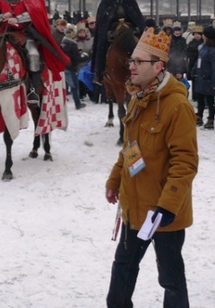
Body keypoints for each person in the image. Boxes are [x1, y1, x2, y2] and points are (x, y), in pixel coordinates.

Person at [105, 27, 198, 308]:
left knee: (170, 279)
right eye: (130, 61)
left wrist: (167, 206)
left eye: (137, 62)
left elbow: (185, 162)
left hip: (162, 213)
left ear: (158, 67)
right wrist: (114, 180)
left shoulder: (177, 106)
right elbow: (130, 148)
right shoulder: (137, 98)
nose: (130, 66)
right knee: (122, 274)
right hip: (134, 209)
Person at [92, 0, 145, 85]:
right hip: (112, 28)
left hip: (130, 27)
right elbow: (103, 20)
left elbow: (137, 15)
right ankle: (100, 71)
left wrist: (138, 27)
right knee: (102, 44)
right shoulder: (107, 0)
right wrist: (108, 29)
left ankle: (146, 69)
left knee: (143, 44)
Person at [193, 25, 215, 129]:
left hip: (208, 78)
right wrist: (194, 71)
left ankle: (211, 119)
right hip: (201, 77)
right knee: (200, 99)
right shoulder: (204, 47)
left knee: (210, 101)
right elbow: (199, 60)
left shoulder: (212, 50)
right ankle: (199, 116)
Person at [60, 25, 87, 109]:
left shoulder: (63, 43)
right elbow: (76, 59)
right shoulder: (73, 44)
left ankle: (62, 103)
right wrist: (85, 57)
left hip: (64, 67)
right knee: (74, 87)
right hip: (71, 68)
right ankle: (77, 104)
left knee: (65, 86)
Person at [186, 25, 203, 101]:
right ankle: (195, 97)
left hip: (202, 64)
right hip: (193, 63)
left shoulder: (204, 43)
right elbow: (187, 53)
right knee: (194, 81)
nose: (197, 36)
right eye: (195, 34)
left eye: (198, 34)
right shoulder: (191, 43)